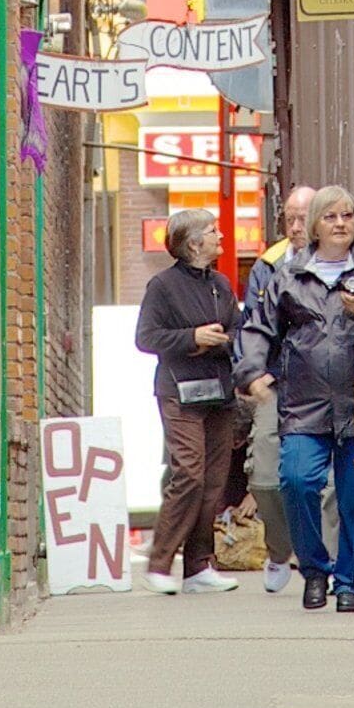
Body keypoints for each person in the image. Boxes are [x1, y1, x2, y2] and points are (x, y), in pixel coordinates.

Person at [235, 185, 354, 612]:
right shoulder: (289, 275)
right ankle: (315, 569)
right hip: (303, 403)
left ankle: (350, 582)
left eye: (348, 216)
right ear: (314, 224)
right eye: (331, 217)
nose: (340, 224)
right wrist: (253, 371)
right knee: (296, 481)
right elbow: (258, 329)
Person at [133, 210, 248, 594]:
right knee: (189, 474)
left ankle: (199, 567)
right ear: (193, 243)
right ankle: (160, 561)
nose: (220, 235)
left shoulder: (220, 283)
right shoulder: (162, 286)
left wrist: (227, 339)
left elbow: (237, 327)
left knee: (214, 481)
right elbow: (146, 338)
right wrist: (193, 338)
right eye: (213, 230)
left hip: (219, 390)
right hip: (179, 391)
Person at [248, 184, 315, 591]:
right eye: (289, 218)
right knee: (265, 478)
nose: (294, 226)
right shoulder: (267, 265)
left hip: (322, 385)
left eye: (302, 218)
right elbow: (253, 324)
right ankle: (278, 550)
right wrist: (254, 370)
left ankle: (318, 569)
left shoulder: (343, 263)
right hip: (276, 382)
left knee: (318, 485)